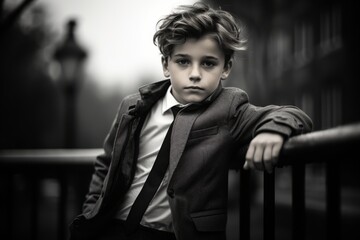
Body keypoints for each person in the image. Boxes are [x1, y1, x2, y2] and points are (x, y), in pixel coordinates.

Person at [69, 2, 312, 240]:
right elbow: (106, 164)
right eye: (183, 61)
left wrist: (272, 131)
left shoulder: (229, 107)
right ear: (166, 64)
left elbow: (294, 114)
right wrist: (92, 210)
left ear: (225, 68)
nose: (195, 74)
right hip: (112, 228)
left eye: (208, 63)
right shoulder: (133, 106)